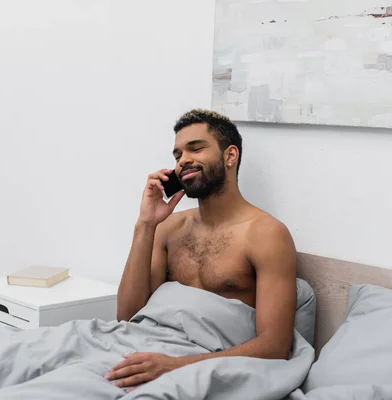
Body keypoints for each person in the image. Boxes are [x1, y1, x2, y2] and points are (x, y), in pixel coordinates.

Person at [107, 109, 297, 390]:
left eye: (195, 149)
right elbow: (127, 314)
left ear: (230, 156)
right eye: (177, 155)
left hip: (193, 365)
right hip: (140, 346)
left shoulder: (266, 235)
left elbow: (275, 346)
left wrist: (173, 366)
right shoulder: (169, 228)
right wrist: (145, 224)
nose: (183, 160)